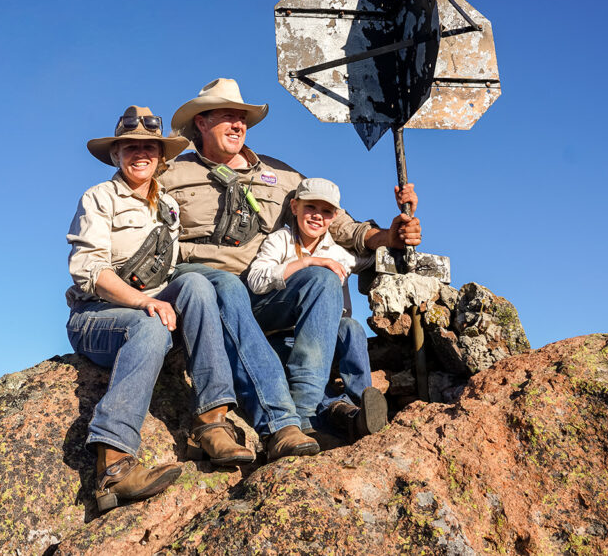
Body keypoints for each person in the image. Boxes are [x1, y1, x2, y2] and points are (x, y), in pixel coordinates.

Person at [160, 77, 421, 433]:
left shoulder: (280, 176)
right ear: (201, 122)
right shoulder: (171, 174)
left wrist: (389, 236)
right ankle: (309, 417)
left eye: (243, 119)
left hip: (262, 294)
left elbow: (339, 225)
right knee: (227, 287)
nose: (239, 125)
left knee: (323, 280)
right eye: (227, 116)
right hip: (202, 288)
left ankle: (306, 409)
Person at [66, 105, 262, 515]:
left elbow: (172, 269)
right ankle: (114, 464)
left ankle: (212, 422)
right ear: (116, 154)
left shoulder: (168, 208)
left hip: (150, 306)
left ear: (161, 156)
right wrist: (144, 302)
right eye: (131, 147)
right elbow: (90, 270)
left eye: (149, 148)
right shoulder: (99, 197)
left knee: (194, 282)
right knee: (150, 329)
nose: (141, 154)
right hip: (96, 316)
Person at [246, 177, 387, 440]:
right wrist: (307, 263)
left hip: (320, 337)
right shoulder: (280, 240)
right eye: (311, 207)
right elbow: (255, 280)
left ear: (334, 217)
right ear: (295, 207)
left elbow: (377, 253)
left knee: (351, 329)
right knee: (321, 279)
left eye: (326, 211)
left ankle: (361, 408)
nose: (317, 216)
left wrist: (399, 229)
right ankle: (311, 412)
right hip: (278, 329)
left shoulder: (339, 253)